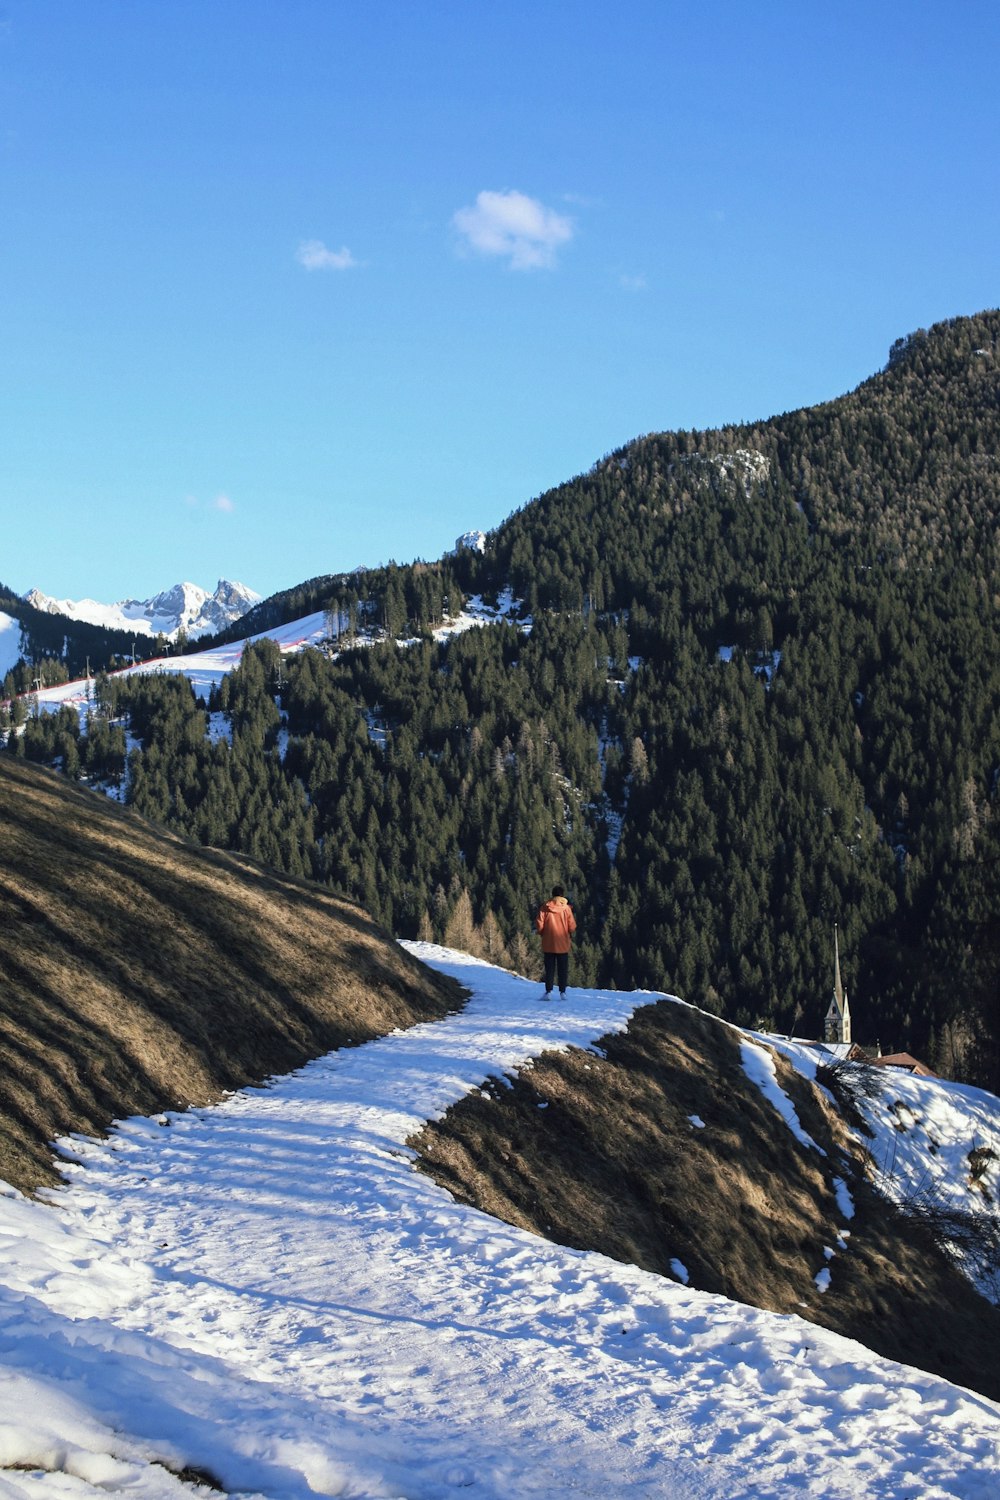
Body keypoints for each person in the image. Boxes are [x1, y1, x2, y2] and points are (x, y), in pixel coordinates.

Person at [535, 885, 576, 999]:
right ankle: (562, 992)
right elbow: (572, 925)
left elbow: (539, 924)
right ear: (562, 895)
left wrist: (543, 933)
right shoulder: (566, 909)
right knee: (562, 969)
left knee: (549, 969)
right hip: (563, 943)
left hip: (548, 942)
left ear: (552, 895)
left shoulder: (545, 907)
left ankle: (548, 992)